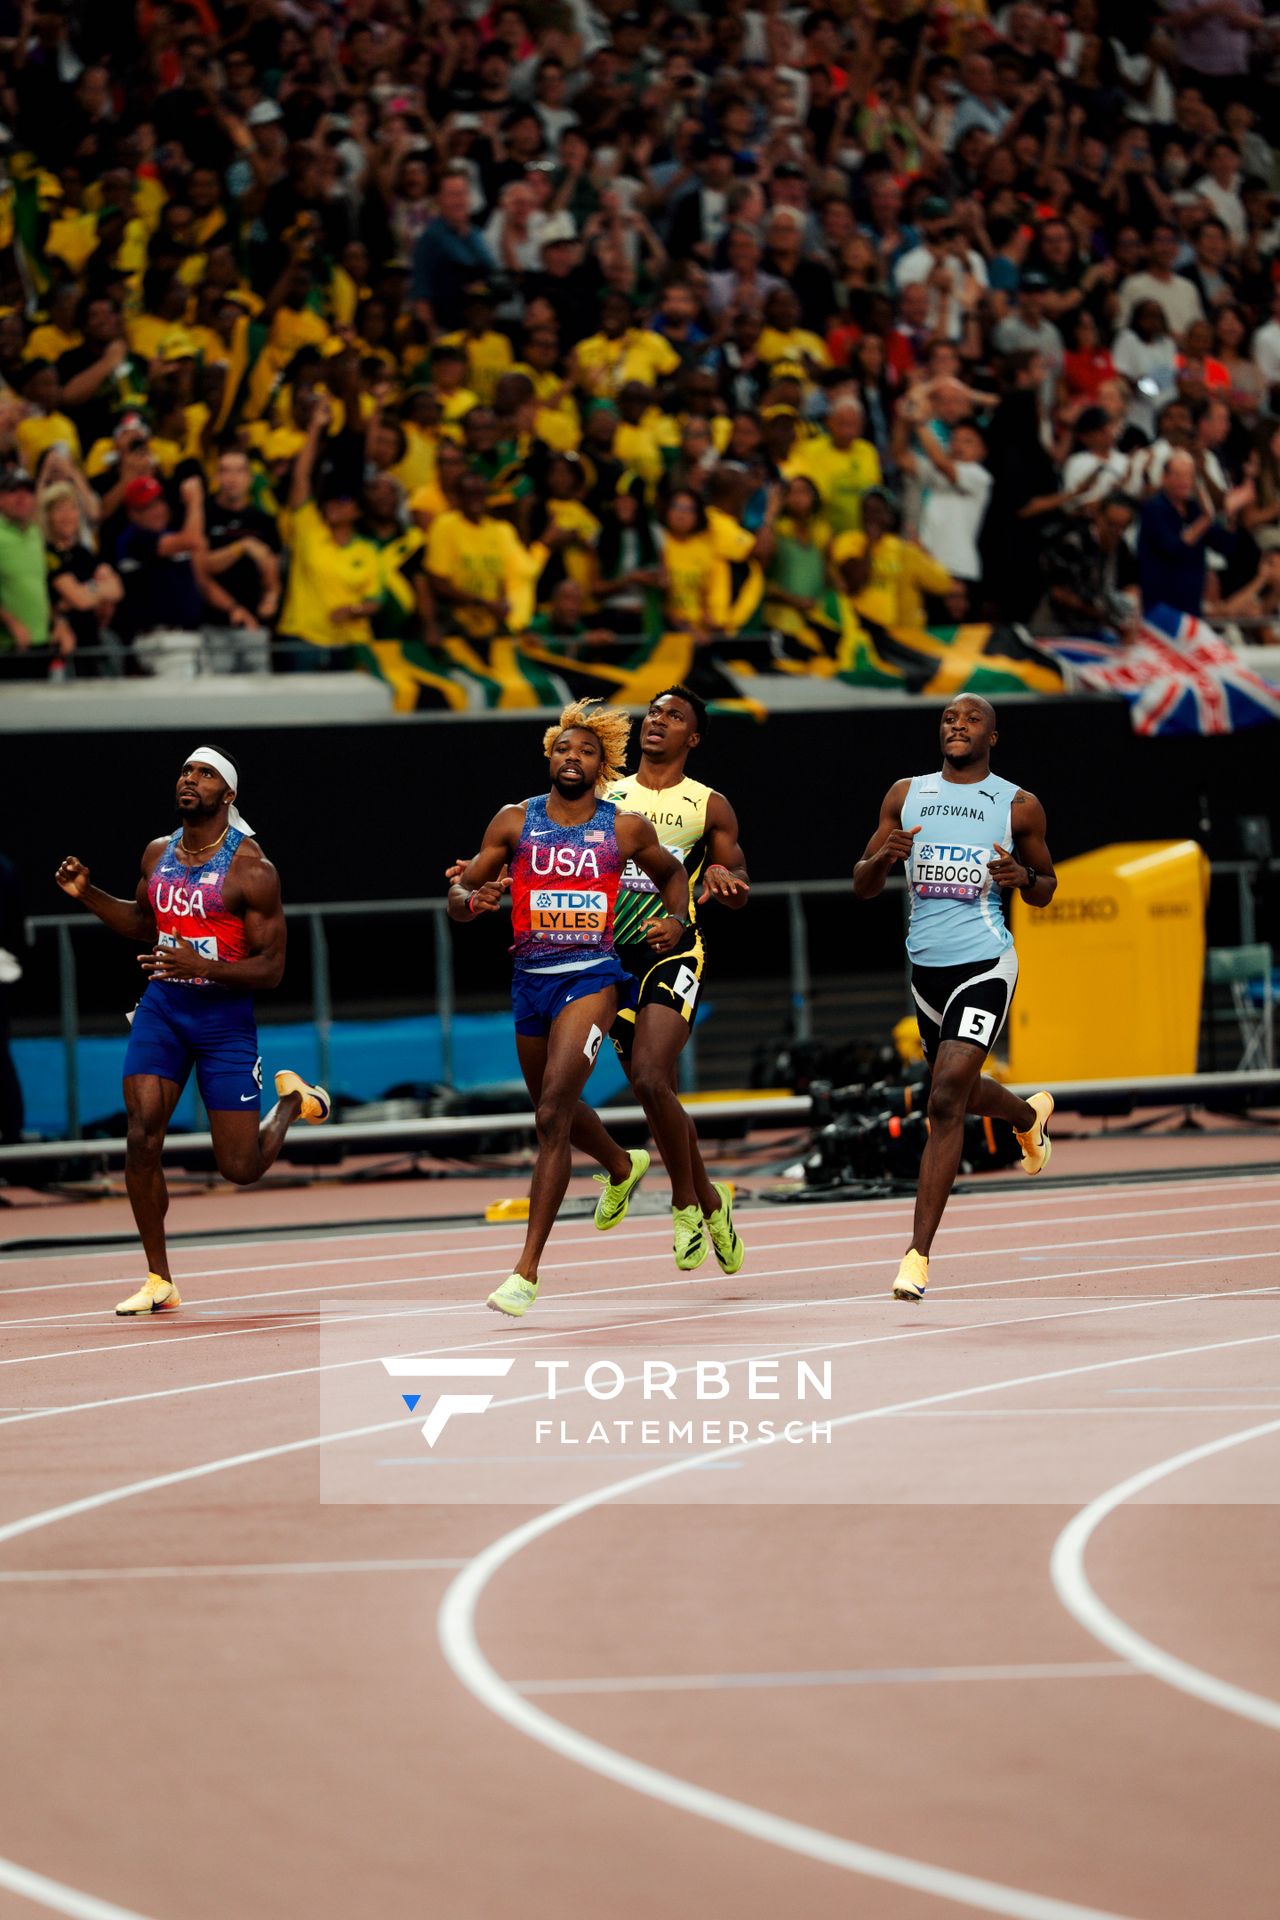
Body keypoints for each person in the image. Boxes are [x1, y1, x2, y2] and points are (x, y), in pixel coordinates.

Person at [53, 747, 329, 1317]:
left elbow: (271, 969)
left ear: (227, 795)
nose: (190, 779)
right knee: (142, 1135)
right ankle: (160, 1277)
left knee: (240, 1168)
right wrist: (89, 895)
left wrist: (200, 967)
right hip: (164, 1010)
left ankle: (292, 1103)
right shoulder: (158, 854)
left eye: (205, 774)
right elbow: (141, 922)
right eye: (185, 771)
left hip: (224, 1021)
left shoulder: (252, 869)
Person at [448, 700, 688, 1318]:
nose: (573, 758)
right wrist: (471, 899)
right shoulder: (513, 821)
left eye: (586, 751)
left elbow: (672, 875)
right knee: (549, 1105)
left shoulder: (623, 828)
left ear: (602, 765)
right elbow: (462, 892)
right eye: (563, 749)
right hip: (530, 981)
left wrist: (676, 920)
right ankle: (620, 1161)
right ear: (549, 757)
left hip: (592, 978)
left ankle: (526, 1271)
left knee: (553, 1112)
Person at [853, 697, 1057, 1302]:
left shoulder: (1018, 804)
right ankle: (1026, 1116)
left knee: (944, 1101)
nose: (957, 726)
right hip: (926, 973)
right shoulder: (905, 794)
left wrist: (1025, 880)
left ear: (994, 734)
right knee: (959, 1090)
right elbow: (862, 883)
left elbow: (1046, 886)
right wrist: (882, 860)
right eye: (948, 719)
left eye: (970, 720)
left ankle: (915, 1258)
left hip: (985, 965)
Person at [603, 686, 750, 1270]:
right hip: (607, 959)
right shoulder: (606, 793)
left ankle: (685, 1202)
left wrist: (723, 878)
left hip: (674, 951)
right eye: (653, 712)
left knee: (648, 1074)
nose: (657, 721)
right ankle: (712, 1201)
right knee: (651, 1090)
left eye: (673, 716)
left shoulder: (708, 804)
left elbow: (735, 875)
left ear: (692, 738)